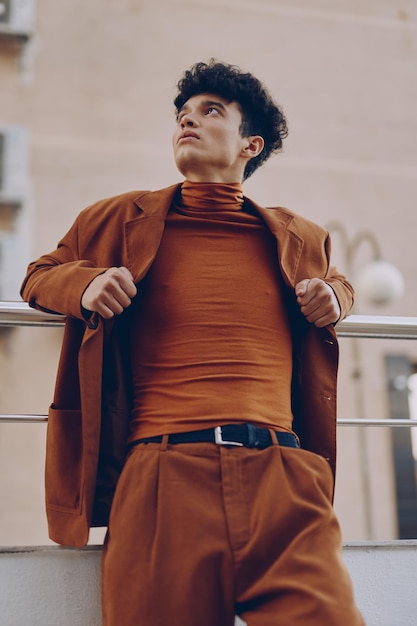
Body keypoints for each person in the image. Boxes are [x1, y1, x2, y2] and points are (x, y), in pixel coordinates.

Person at [21, 60, 364, 626]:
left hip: (284, 476)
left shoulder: (300, 236)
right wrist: (84, 285)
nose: (188, 121)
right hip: (162, 478)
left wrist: (336, 296)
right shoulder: (114, 220)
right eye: (182, 114)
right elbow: (38, 274)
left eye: (210, 111)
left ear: (250, 144)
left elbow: (338, 282)